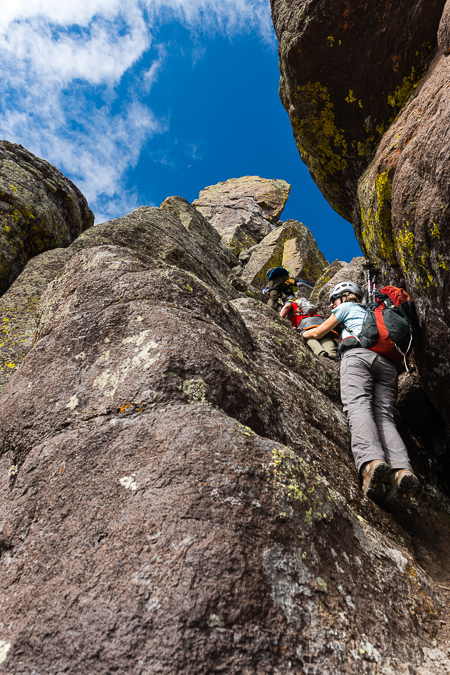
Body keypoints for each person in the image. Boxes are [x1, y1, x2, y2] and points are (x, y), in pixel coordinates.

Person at [301, 280, 420, 506]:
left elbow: (318, 332)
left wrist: (305, 335)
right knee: (384, 416)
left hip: (357, 357)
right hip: (388, 367)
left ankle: (371, 463)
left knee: (358, 407)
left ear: (343, 297)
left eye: (334, 300)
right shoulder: (375, 310)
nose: (332, 305)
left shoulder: (346, 308)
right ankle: (402, 471)